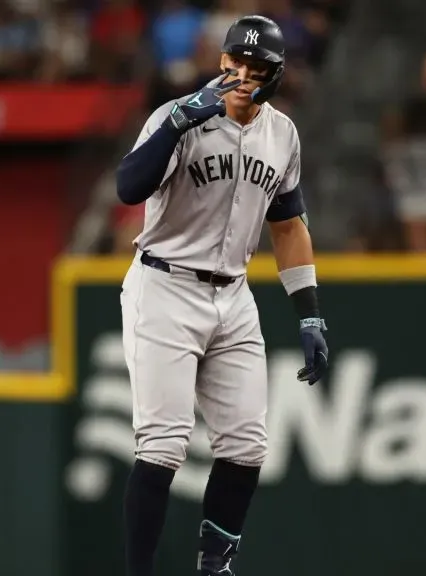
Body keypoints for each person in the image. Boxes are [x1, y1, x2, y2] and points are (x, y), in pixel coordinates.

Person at [113, 14, 330, 576]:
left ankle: (215, 567)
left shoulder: (282, 133)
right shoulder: (178, 116)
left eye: (257, 69)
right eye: (236, 64)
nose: (243, 76)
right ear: (222, 62)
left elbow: (287, 223)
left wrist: (308, 314)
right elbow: (128, 186)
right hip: (164, 284)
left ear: (274, 75)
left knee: (248, 446)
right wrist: (179, 123)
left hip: (233, 293)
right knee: (162, 445)